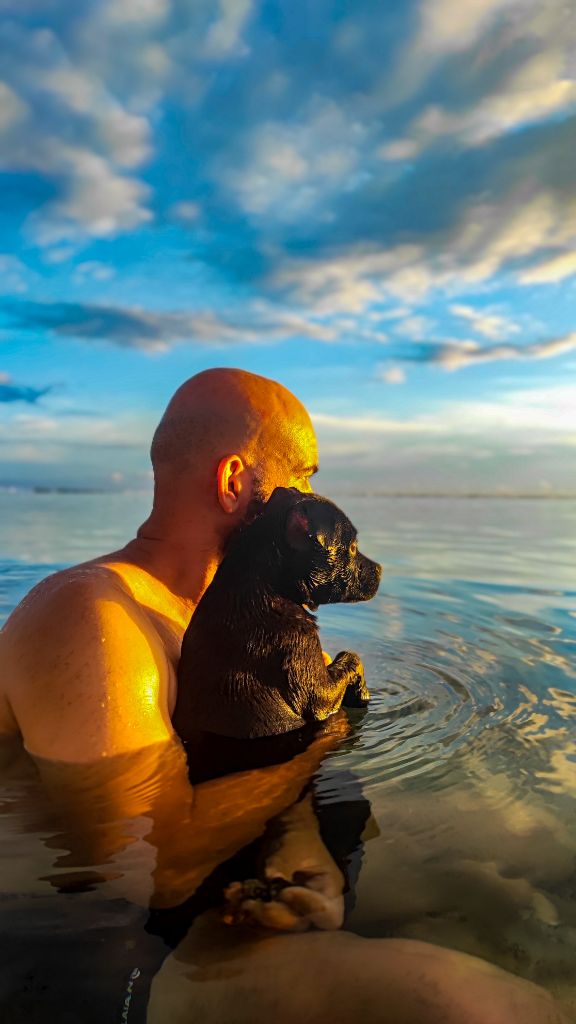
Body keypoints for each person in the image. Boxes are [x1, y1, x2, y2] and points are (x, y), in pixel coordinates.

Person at [0, 368, 567, 1023]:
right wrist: (320, 742)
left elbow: (258, 752)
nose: (313, 497)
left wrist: (299, 845)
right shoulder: (93, 618)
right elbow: (149, 868)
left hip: (229, 884)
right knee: (478, 1008)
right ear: (234, 481)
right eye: (303, 475)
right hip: (113, 957)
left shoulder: (242, 618)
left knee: (494, 879)